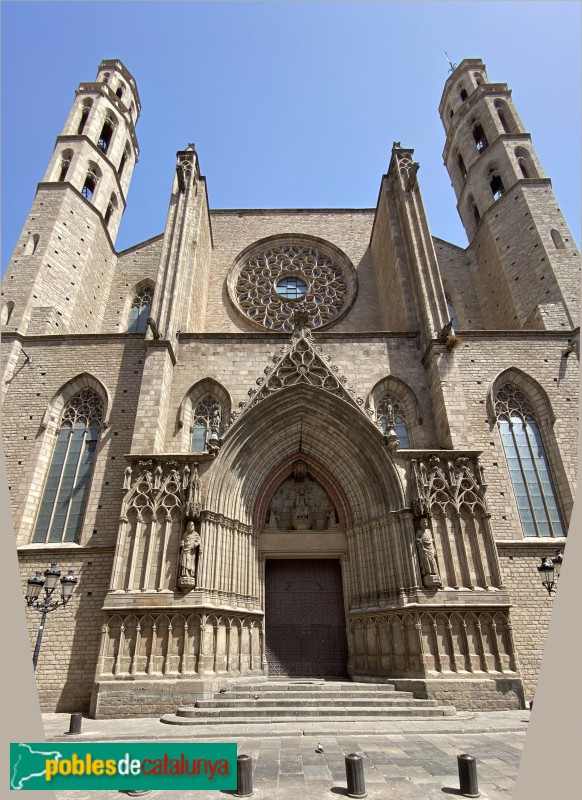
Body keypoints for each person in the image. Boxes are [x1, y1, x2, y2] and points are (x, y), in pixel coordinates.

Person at [415, 517, 442, 588]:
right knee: (426, 561)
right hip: (424, 549)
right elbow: (417, 538)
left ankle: (434, 573)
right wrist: (419, 541)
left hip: (430, 547)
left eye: (426, 522)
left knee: (432, 560)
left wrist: (431, 542)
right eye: (423, 522)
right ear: (420, 524)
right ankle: (428, 573)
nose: (425, 524)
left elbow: (431, 538)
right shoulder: (419, 531)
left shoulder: (429, 531)